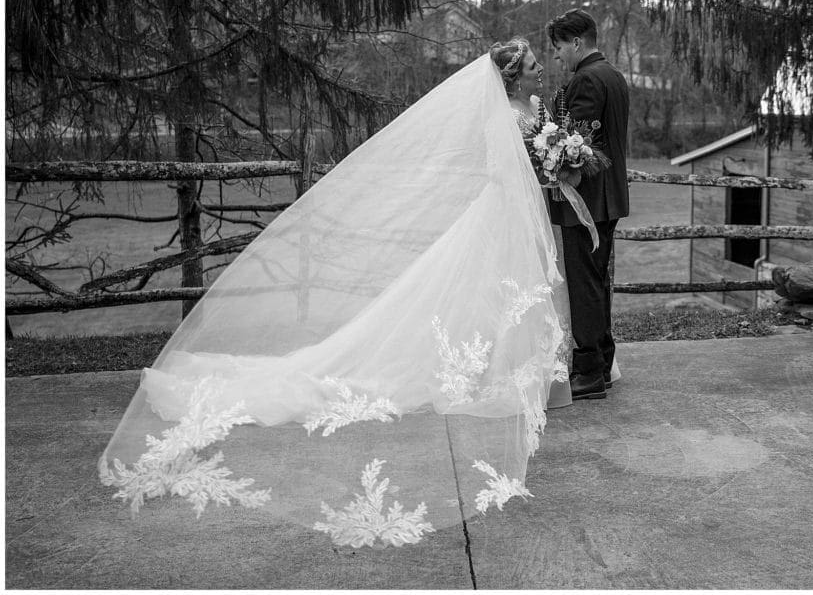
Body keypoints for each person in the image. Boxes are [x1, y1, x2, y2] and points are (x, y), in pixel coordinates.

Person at [98, 43, 573, 550]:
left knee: (514, 295)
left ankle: (520, 373)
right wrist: (539, 170)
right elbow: (500, 170)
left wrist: (555, 163)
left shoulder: (540, 110)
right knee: (486, 290)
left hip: (526, 211)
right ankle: (485, 371)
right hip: (502, 211)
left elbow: (537, 156)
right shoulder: (498, 112)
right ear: (511, 76)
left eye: (537, 65)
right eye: (530, 66)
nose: (539, 69)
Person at [546, 9, 630, 401]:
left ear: (577, 42)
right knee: (596, 282)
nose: (557, 56)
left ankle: (590, 372)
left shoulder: (585, 80)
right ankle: (603, 361)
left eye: (560, 47)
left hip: (587, 202)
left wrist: (544, 153)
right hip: (609, 198)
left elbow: (574, 149)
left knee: (584, 285)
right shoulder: (613, 74)